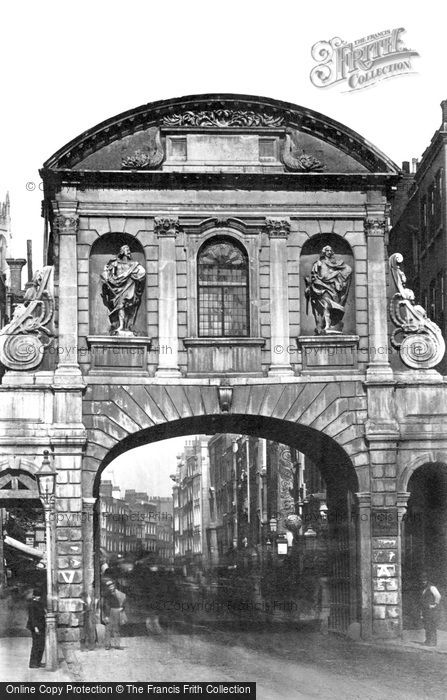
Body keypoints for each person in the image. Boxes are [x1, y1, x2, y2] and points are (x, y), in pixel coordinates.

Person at [305, 245, 352, 335]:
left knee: (330, 306)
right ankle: (326, 325)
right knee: (326, 306)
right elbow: (315, 276)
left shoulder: (335, 263)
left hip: (333, 288)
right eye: (327, 250)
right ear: (324, 252)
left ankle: (328, 325)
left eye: (330, 250)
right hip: (322, 287)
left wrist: (337, 275)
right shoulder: (318, 263)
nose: (329, 252)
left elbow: (347, 269)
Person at [100, 244, 146, 336]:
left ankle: (125, 326)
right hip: (117, 287)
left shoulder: (134, 264)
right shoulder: (115, 263)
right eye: (126, 249)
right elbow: (107, 274)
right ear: (122, 251)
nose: (128, 251)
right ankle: (122, 326)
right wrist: (106, 276)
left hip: (129, 286)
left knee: (126, 306)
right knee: (120, 305)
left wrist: (135, 276)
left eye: (129, 249)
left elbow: (142, 273)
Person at [102, 579, 127, 650]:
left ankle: (117, 644)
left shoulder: (118, 594)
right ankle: (107, 645)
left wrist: (122, 608)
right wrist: (106, 616)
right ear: (108, 587)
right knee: (108, 629)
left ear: (114, 586)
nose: (111, 587)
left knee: (117, 629)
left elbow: (123, 602)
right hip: (109, 612)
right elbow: (105, 606)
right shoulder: (106, 595)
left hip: (116, 611)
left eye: (112, 586)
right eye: (109, 586)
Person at [26, 587, 46, 668]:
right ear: (34, 596)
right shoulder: (32, 604)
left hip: (41, 626)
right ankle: (33, 663)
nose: (39, 598)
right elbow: (32, 617)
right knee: (36, 645)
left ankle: (38, 662)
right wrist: (35, 627)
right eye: (38, 596)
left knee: (41, 645)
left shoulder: (38, 603)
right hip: (36, 627)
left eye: (39, 596)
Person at [421, 572, 441, 646]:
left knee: (431, 625)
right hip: (426, 610)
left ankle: (432, 642)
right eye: (423, 580)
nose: (423, 582)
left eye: (425, 580)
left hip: (431, 611)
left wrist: (435, 604)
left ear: (428, 581)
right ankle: (428, 640)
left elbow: (438, 596)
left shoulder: (432, 587)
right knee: (427, 625)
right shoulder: (425, 589)